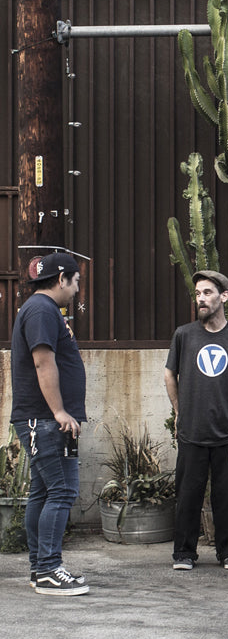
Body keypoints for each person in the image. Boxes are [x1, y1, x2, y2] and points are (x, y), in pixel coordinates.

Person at [164, 270, 228, 572]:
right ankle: (184, 553)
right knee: (188, 495)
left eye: (207, 293)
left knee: (227, 497)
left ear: (224, 296)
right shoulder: (184, 334)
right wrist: (179, 411)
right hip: (191, 431)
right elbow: (170, 373)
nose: (201, 299)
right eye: (198, 294)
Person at [13, 252, 89, 596]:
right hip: (44, 419)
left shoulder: (40, 310)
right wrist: (59, 412)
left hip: (43, 419)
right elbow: (44, 363)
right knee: (62, 491)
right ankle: (47, 568)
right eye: (75, 282)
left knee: (43, 492)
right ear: (62, 278)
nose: (76, 289)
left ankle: (40, 566)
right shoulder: (42, 310)